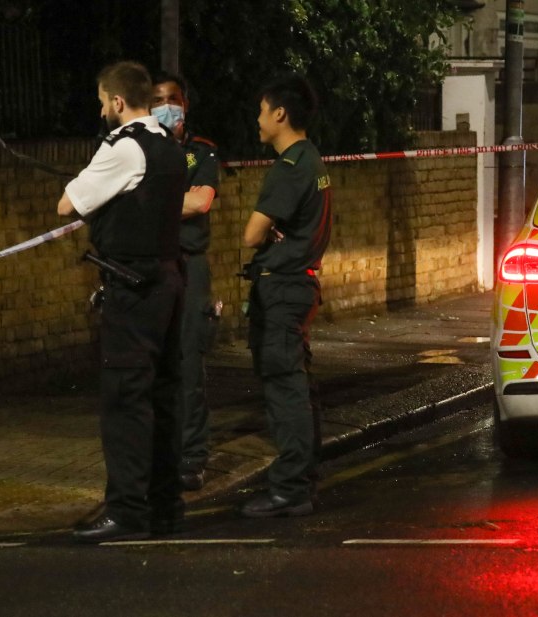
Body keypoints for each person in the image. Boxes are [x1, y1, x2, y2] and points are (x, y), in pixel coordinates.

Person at [56, 61, 187, 543]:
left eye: (101, 100)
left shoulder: (125, 146)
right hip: (170, 280)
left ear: (116, 102)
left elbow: (68, 204)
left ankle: (127, 509)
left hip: (134, 288)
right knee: (163, 397)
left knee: (125, 399)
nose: (100, 108)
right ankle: (165, 507)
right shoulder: (170, 147)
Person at [239, 73, 333, 518]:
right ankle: (302, 479)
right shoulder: (312, 159)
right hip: (300, 283)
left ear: (279, 113)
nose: (257, 120)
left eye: (262, 111)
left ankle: (290, 487)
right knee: (297, 385)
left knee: (284, 388)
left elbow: (250, 235)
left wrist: (266, 234)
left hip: (283, 286)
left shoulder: (290, 166)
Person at [151, 72, 221, 492]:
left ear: (186, 103)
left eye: (172, 98)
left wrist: (146, 204)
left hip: (190, 266)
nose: (165, 106)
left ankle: (193, 456)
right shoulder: (142, 149)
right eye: (157, 99)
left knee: (189, 365)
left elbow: (201, 201)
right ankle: (160, 453)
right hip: (154, 267)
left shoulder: (201, 152)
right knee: (155, 365)